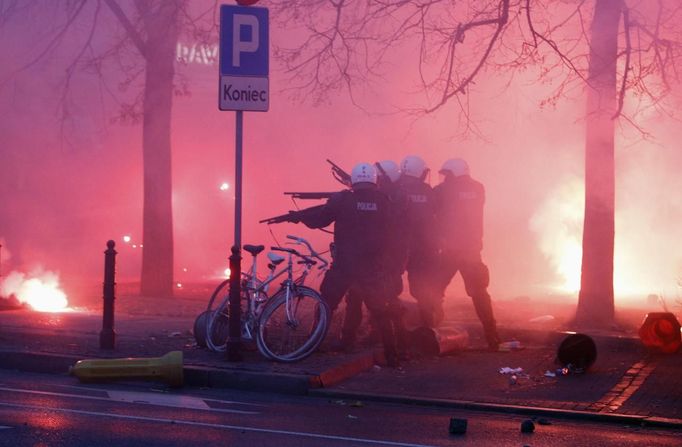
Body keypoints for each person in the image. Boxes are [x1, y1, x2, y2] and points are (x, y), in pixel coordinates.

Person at [291, 162, 401, 366]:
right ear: (374, 181)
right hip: (371, 267)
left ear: (354, 180)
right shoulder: (385, 201)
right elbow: (392, 231)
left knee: (326, 304)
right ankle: (392, 355)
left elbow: (320, 220)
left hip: (344, 266)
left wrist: (299, 217)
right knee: (380, 311)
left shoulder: (342, 199)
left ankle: (313, 345)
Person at [433, 158, 500, 351]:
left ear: (454, 173)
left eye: (446, 174)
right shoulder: (478, 189)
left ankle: (432, 330)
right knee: (480, 294)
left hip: (449, 251)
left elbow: (434, 207)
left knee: (434, 290)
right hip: (471, 251)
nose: (444, 178)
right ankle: (492, 337)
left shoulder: (443, 191)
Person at [342, 160, 408, 353]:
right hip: (385, 259)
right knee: (383, 303)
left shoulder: (388, 199)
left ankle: (389, 347)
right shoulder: (390, 198)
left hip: (378, 261)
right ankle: (397, 348)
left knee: (378, 304)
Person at [398, 155, 442, 328]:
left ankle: (388, 328)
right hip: (424, 248)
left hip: (399, 247)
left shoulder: (395, 189)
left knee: (387, 287)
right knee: (422, 289)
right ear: (420, 172)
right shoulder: (428, 191)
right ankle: (429, 326)